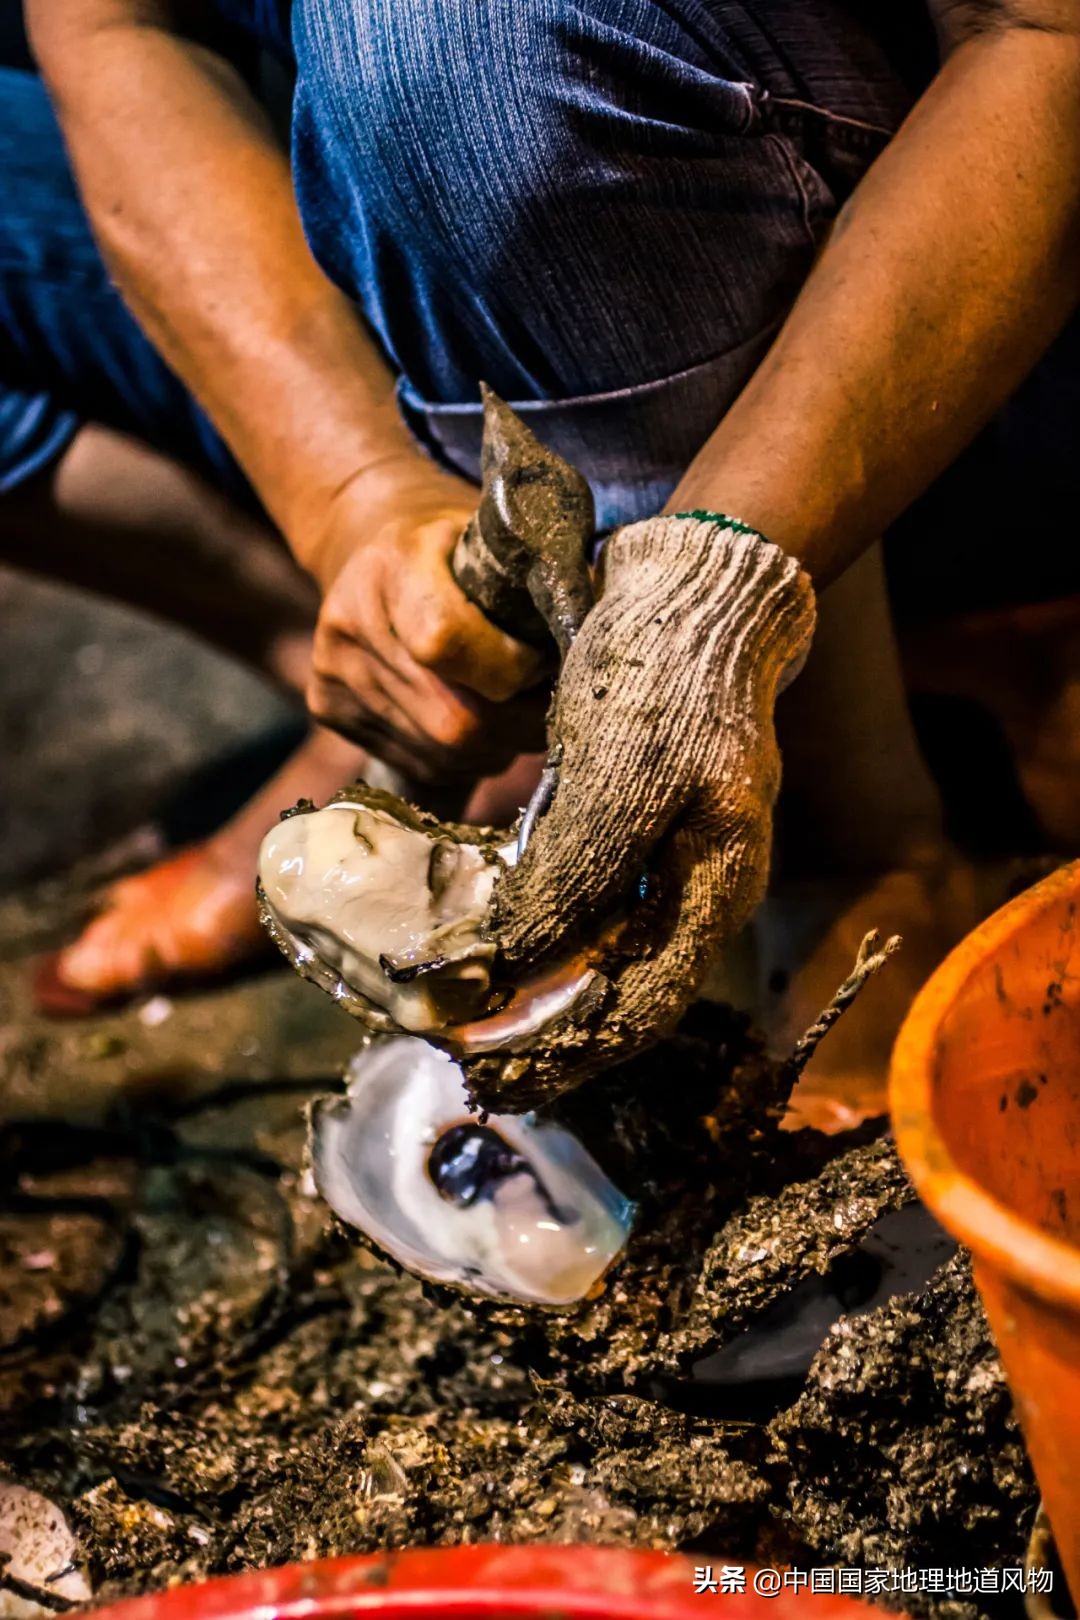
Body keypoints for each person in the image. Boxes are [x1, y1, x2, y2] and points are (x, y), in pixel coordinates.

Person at [5, 0, 1079, 1074]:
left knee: (451, 44)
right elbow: (120, 30)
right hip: (447, 301)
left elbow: (1040, 40)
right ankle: (444, 693)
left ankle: (855, 838)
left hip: (966, 329)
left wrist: (715, 584)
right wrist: (355, 500)